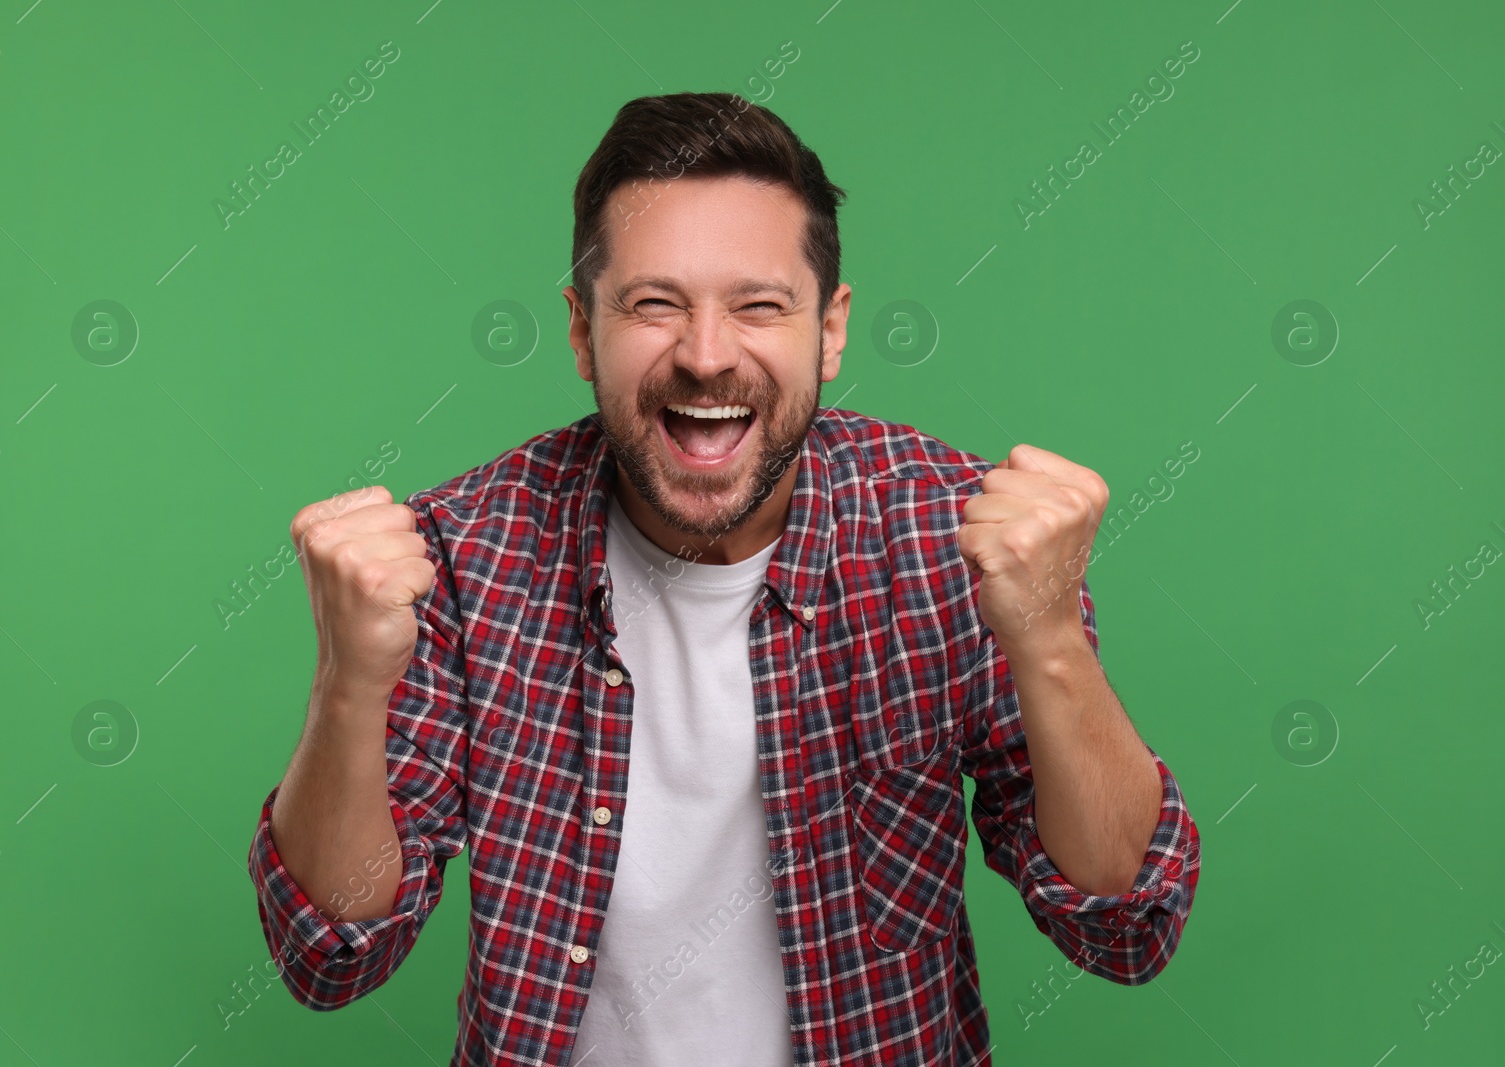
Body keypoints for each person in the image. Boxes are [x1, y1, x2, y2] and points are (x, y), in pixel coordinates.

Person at [247, 90, 1201, 1067]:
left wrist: (1046, 638)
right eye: (655, 304)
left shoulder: (944, 536)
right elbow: (331, 954)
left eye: (758, 305)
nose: (706, 357)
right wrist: (348, 683)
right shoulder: (463, 551)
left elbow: (1124, 926)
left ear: (829, 330)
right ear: (582, 332)